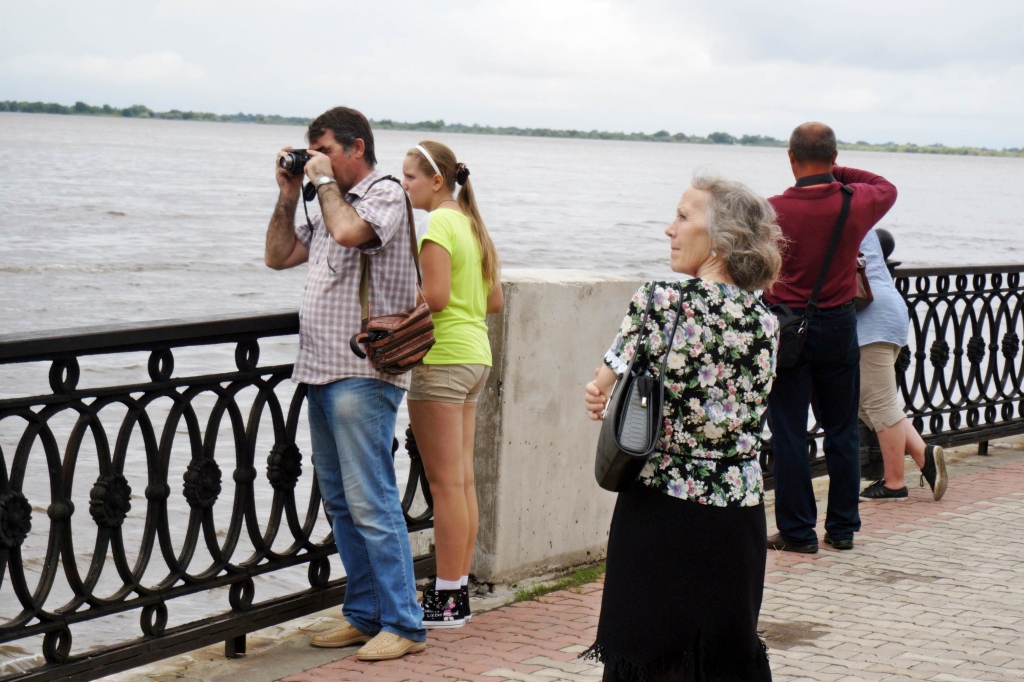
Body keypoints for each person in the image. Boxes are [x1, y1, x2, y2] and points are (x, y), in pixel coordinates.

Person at [583, 175, 782, 682]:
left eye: (683, 217)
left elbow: (602, 384)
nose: (669, 229)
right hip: (738, 511)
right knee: (724, 653)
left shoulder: (662, 300)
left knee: (649, 652)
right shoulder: (766, 320)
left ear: (721, 238)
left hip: (661, 506)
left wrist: (597, 392)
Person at [263, 106, 427, 660]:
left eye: (325, 149)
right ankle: (364, 614)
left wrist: (326, 183)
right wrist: (290, 193)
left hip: (363, 372)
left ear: (357, 148)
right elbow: (278, 256)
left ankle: (404, 624)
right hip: (319, 369)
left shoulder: (382, 193)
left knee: (372, 500)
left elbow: (349, 230)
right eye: (312, 152)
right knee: (340, 501)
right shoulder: (324, 197)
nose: (316, 161)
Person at [765, 122, 898, 554]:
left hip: (787, 329)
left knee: (787, 431)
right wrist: (836, 174)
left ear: (790, 157)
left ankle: (798, 533)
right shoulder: (854, 202)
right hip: (840, 325)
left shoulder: (771, 210)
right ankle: (841, 529)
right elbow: (885, 185)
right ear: (835, 156)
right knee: (842, 430)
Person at [401, 141, 503, 628]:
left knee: (444, 485)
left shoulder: (439, 223)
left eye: (411, 178)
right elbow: (495, 299)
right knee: (461, 481)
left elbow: (436, 297)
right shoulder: (469, 222)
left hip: (441, 360)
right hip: (475, 357)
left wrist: (399, 299)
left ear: (437, 180)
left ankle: (444, 601)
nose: (405, 187)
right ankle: (456, 592)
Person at [857, 229, 948, 500]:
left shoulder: (833, 214)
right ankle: (924, 455)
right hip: (887, 312)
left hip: (870, 319)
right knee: (867, 404)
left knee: (879, 404)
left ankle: (895, 483)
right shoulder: (860, 217)